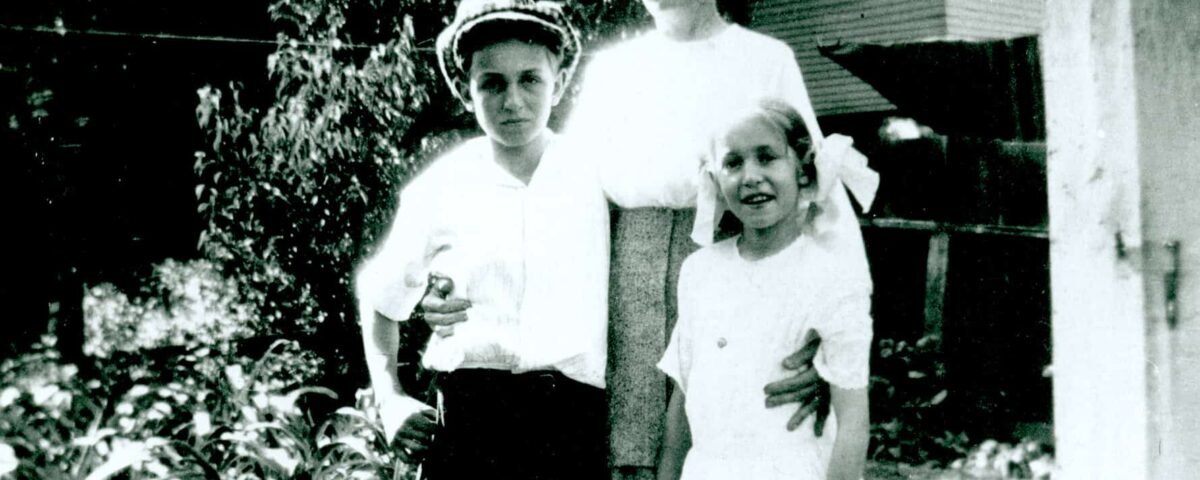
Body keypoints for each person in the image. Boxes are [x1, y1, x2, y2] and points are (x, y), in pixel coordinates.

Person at [564, 0, 873, 476]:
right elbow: (563, 198)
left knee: (748, 428)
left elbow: (819, 189)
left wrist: (828, 350)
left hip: (746, 255)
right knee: (634, 446)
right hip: (628, 271)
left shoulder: (765, 58)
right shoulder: (612, 69)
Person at [354, 1, 610, 478]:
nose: (512, 100)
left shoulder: (599, 173)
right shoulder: (444, 185)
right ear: (465, 91)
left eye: (530, 79)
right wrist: (390, 399)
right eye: (492, 83)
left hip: (574, 430)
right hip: (474, 426)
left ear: (559, 83)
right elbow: (381, 295)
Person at [656, 98, 877, 480]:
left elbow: (853, 423)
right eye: (733, 163)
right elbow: (683, 397)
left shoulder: (832, 276)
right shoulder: (700, 270)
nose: (750, 176)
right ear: (714, 179)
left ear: (803, 171)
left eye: (767, 157)